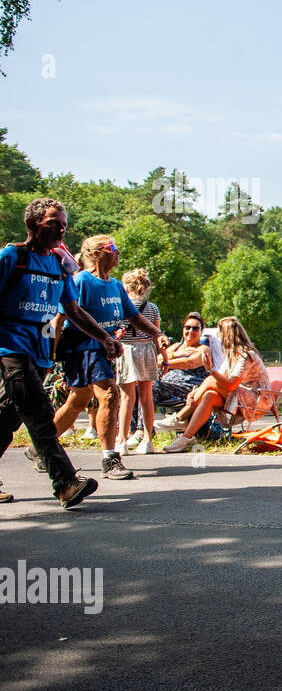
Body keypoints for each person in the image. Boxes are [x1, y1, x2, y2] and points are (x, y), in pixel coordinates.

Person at [0, 199, 116, 508]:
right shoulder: (13, 257)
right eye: (53, 222)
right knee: (39, 414)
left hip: (39, 352)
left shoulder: (57, 265)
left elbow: (73, 311)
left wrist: (105, 337)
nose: (60, 228)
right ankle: (65, 483)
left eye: (63, 223)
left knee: (6, 418)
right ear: (33, 225)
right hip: (10, 348)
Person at [51, 235, 164, 480]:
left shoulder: (114, 285)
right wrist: (50, 352)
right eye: (112, 248)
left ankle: (43, 446)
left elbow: (133, 316)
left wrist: (158, 334)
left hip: (103, 348)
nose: (117, 253)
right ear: (97, 253)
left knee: (78, 400)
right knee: (110, 393)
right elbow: (61, 317)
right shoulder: (81, 280)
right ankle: (110, 459)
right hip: (81, 347)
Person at [163, 316, 269, 452]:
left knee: (211, 379)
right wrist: (197, 391)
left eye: (220, 334)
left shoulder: (246, 355)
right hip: (240, 397)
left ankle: (180, 417)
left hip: (258, 400)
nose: (218, 337)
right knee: (209, 395)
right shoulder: (232, 354)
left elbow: (230, 385)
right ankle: (187, 438)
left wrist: (210, 371)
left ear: (226, 335)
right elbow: (220, 376)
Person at [115, 268, 166, 456]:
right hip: (147, 349)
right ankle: (147, 439)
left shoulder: (122, 306)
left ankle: (122, 440)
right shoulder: (152, 308)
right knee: (146, 396)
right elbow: (156, 334)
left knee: (127, 397)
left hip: (127, 349)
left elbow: (116, 331)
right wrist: (165, 358)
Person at [154, 312, 214, 415]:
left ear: (201, 331)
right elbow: (155, 360)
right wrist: (175, 354)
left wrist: (164, 363)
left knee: (151, 387)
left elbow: (190, 362)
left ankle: (143, 428)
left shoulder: (203, 349)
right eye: (188, 327)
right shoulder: (176, 347)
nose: (190, 331)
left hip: (188, 388)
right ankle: (133, 429)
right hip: (166, 386)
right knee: (139, 387)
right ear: (183, 329)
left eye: (195, 329)